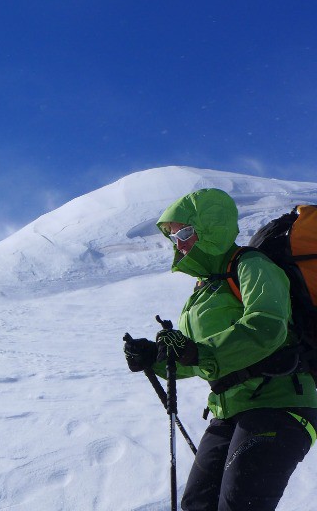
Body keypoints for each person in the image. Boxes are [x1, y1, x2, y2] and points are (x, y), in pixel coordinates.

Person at [123, 188, 317, 511]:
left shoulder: (251, 266)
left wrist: (198, 352)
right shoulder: (201, 292)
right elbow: (189, 359)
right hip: (227, 410)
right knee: (197, 503)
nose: (179, 244)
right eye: (174, 238)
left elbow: (266, 326)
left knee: (239, 504)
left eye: (184, 232)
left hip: (280, 403)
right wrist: (154, 359)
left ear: (211, 228)